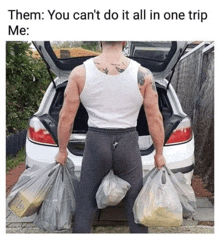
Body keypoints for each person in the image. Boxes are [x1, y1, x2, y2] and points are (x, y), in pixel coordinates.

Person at [55, 41, 166, 233]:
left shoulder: (80, 73)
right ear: (124, 41)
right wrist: (159, 153)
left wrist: (63, 150)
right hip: (128, 144)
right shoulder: (144, 74)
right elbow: (155, 118)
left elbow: (66, 117)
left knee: (86, 202)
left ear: (100, 40)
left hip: (97, 142)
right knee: (135, 204)